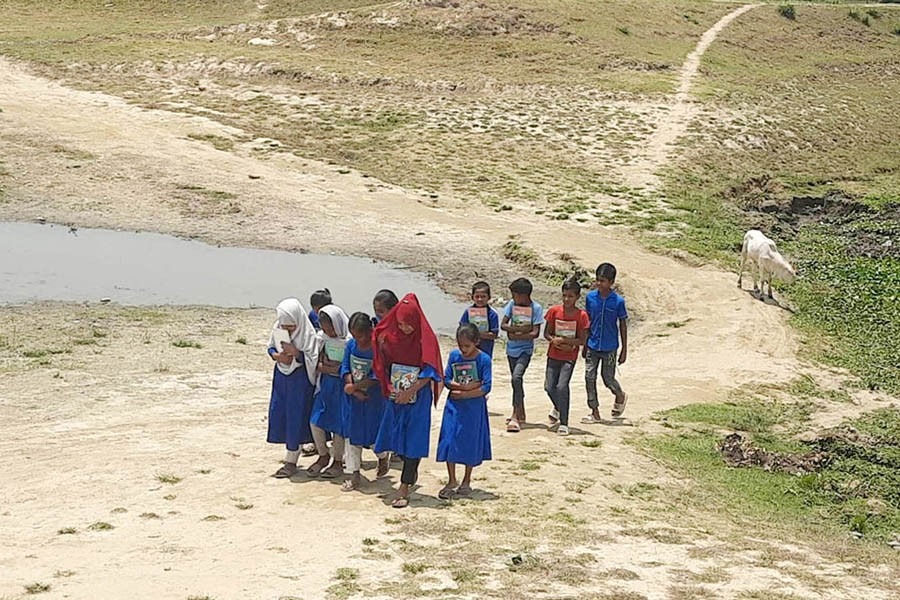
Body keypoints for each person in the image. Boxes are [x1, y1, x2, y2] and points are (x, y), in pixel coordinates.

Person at [373, 294, 443, 509]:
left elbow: (431, 369)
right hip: (397, 393)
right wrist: (391, 385)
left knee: (413, 439)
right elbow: (383, 360)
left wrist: (412, 389)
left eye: (408, 325)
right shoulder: (391, 335)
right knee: (395, 436)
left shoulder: (425, 338)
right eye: (400, 324)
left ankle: (404, 486)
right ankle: (407, 472)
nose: (404, 329)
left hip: (418, 396)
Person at [437, 323, 492, 500]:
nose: (463, 350)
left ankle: (466, 479)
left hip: (474, 407)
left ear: (476, 342)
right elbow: (446, 379)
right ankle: (452, 479)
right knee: (449, 438)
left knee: (470, 441)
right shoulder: (454, 356)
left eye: (467, 346)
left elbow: (486, 386)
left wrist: (467, 393)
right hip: (454, 405)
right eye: (461, 346)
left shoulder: (484, 360)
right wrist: (461, 388)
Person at [266, 298, 319, 478]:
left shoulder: (307, 335)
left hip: (300, 382)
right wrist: (277, 356)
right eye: (285, 326)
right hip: (282, 378)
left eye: (291, 327)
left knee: (297, 417)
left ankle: (291, 460)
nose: (287, 330)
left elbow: (313, 358)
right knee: (281, 413)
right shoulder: (278, 327)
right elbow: (271, 347)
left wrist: (296, 353)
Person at [340, 312, 390, 492]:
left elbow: (377, 375)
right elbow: (345, 367)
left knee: (375, 435)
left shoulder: (378, 348)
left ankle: (383, 456)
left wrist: (358, 387)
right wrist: (351, 386)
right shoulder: (351, 346)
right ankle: (354, 474)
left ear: (370, 332)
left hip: (373, 399)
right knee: (352, 437)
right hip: (353, 400)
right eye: (354, 336)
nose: (357, 339)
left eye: (360, 336)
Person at [308, 305, 351, 479]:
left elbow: (349, 367)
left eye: (331, 328)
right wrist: (326, 368)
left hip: (342, 388)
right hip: (326, 385)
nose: (329, 332)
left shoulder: (349, 342)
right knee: (315, 421)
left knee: (338, 426)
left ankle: (338, 461)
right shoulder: (321, 339)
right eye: (325, 329)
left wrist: (336, 369)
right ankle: (323, 454)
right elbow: (314, 362)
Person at [582, 263, 629, 423]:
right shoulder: (590, 298)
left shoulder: (618, 302)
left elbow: (622, 324)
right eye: (598, 280)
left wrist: (624, 349)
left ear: (611, 282)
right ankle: (594, 411)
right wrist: (584, 343)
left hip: (609, 347)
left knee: (607, 378)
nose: (599, 284)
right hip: (592, 344)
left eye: (603, 281)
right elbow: (587, 321)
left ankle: (619, 394)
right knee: (589, 376)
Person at [543, 277, 590, 436]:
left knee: (562, 387)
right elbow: (546, 333)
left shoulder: (581, 315)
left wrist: (566, 341)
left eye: (570, 296)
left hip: (569, 357)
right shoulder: (554, 311)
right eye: (564, 295)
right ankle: (558, 407)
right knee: (549, 387)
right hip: (553, 354)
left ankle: (564, 422)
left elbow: (582, 339)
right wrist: (553, 341)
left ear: (577, 297)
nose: (566, 299)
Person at [500, 277, 544, 433]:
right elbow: (503, 324)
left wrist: (519, 335)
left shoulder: (537, 308)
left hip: (525, 350)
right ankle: (521, 409)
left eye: (515, 295)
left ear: (524, 295)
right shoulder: (512, 305)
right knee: (516, 382)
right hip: (511, 350)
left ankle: (514, 415)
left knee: (516, 377)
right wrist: (516, 332)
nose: (514, 298)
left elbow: (535, 332)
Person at [458, 281, 500, 357]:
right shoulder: (467, 312)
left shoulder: (492, 315)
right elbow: (461, 330)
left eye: (483, 296)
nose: (480, 299)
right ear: (472, 297)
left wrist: (474, 334)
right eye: (477, 296)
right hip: (468, 352)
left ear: (489, 297)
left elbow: (494, 335)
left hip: (485, 351)